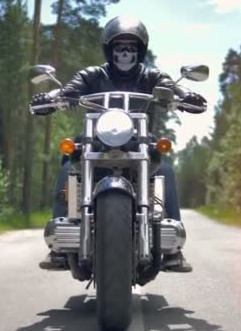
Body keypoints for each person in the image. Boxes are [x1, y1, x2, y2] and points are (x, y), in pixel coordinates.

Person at [31, 16, 206, 273]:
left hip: (141, 141)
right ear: (109, 49)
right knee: (69, 164)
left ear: (141, 50)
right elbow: (70, 89)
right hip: (96, 142)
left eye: (131, 47)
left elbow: (170, 87)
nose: (125, 52)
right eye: (119, 46)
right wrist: (51, 97)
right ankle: (58, 244)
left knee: (166, 170)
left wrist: (185, 96)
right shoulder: (93, 75)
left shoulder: (152, 75)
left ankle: (174, 251)